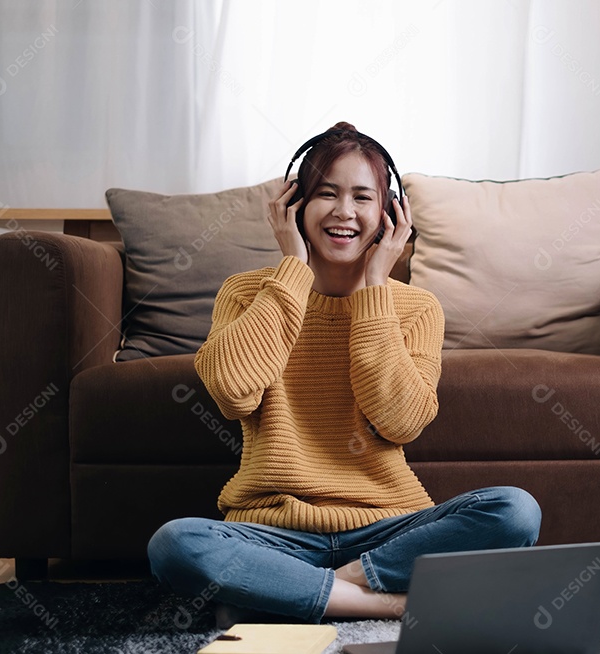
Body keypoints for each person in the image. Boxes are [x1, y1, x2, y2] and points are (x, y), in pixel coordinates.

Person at [147, 122, 541, 626]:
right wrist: (293, 268)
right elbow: (233, 394)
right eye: (326, 194)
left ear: (388, 213)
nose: (344, 212)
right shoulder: (247, 292)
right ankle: (387, 603)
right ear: (294, 207)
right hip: (274, 531)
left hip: (389, 529)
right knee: (175, 544)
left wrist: (376, 285)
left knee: (514, 511)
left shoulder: (415, 307)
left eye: (362, 197)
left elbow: (400, 422)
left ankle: (296, 592)